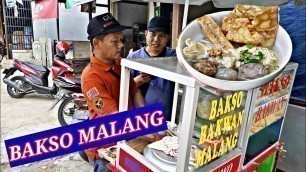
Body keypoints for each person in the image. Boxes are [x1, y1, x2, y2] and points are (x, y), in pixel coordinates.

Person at [81, 13, 145, 171]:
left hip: (127, 138)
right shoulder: (91, 77)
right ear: (97, 43)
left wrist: (146, 116)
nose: (121, 45)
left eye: (121, 40)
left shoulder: (118, 65)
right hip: (106, 148)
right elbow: (114, 116)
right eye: (115, 41)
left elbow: (134, 91)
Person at [127, 16, 176, 121]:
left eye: (162, 36)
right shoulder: (134, 58)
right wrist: (138, 80)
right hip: (141, 118)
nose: (156, 40)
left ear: (168, 38)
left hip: (166, 117)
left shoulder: (174, 57)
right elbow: (123, 89)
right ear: (146, 34)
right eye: (152, 34)